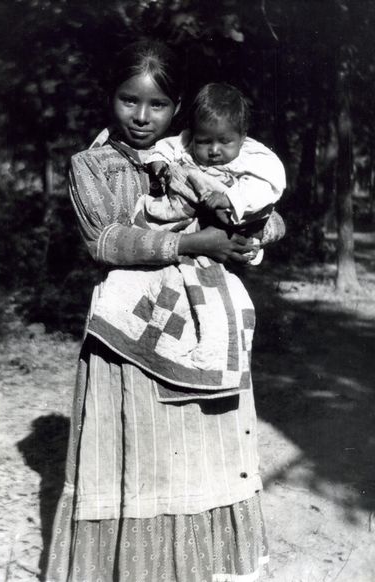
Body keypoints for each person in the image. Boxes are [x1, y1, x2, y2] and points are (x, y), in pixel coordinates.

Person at [46, 39, 271, 582]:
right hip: (126, 334)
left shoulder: (195, 157)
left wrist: (254, 232)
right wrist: (200, 244)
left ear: (177, 109)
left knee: (197, 455)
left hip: (205, 328)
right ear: (111, 97)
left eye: (157, 106)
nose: (141, 117)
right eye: (129, 100)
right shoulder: (91, 164)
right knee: (133, 454)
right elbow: (106, 240)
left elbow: (258, 207)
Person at [138, 82, 286, 265]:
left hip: (234, 213)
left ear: (242, 138)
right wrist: (160, 161)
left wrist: (230, 198)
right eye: (204, 141)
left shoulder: (252, 156)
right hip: (194, 214)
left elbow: (266, 183)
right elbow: (169, 146)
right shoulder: (187, 141)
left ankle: (250, 244)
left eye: (225, 141)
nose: (214, 150)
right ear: (193, 135)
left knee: (251, 231)